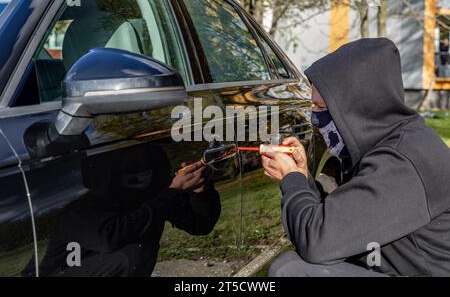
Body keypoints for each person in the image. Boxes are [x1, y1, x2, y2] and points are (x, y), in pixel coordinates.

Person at [263, 38, 450, 277]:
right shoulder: (394, 140)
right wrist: (303, 176)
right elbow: (343, 222)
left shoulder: (402, 162)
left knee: (293, 271)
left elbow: (317, 243)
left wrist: (292, 179)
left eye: (321, 108)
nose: (314, 119)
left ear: (355, 106)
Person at [22, 143, 221, 277]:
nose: (142, 170)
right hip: (56, 272)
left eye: (147, 163)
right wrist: (172, 192)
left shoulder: (149, 196)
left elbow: (199, 224)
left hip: (92, 267)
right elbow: (111, 237)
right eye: (133, 163)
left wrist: (200, 189)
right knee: (134, 253)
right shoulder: (80, 209)